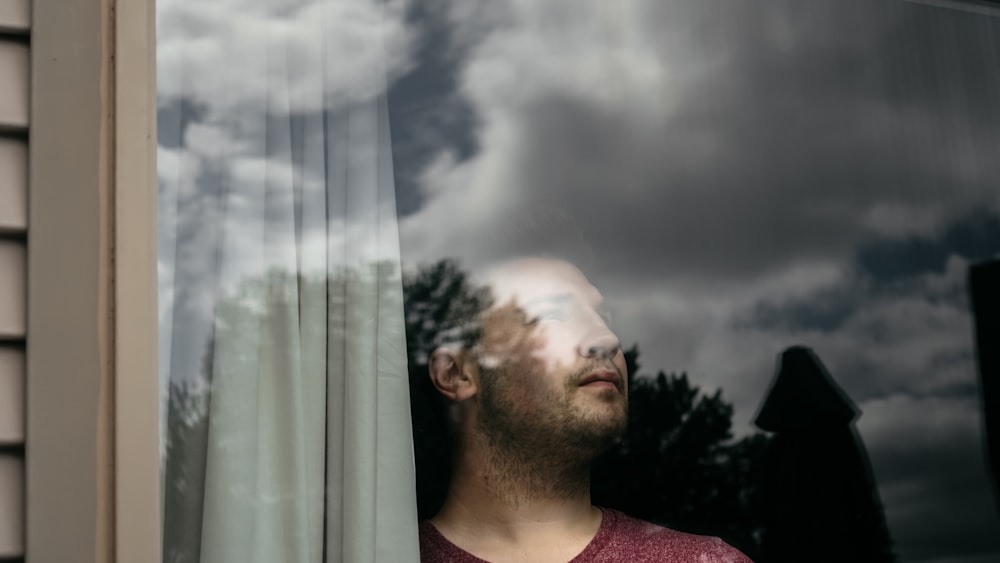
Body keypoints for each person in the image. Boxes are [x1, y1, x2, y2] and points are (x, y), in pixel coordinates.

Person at [418, 257, 752, 562]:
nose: (607, 339)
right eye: (552, 314)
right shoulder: (380, 554)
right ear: (457, 374)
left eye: (605, 319)